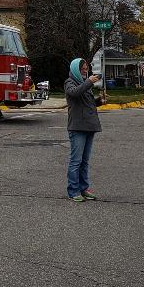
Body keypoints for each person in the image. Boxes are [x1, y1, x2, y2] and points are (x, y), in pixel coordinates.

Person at [64, 57, 102, 202]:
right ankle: (73, 191)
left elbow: (87, 103)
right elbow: (74, 93)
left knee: (85, 161)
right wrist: (89, 82)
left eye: (86, 69)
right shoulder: (70, 82)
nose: (85, 72)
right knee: (76, 161)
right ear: (75, 70)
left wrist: (99, 101)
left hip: (89, 126)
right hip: (77, 127)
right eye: (82, 69)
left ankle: (84, 188)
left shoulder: (84, 84)